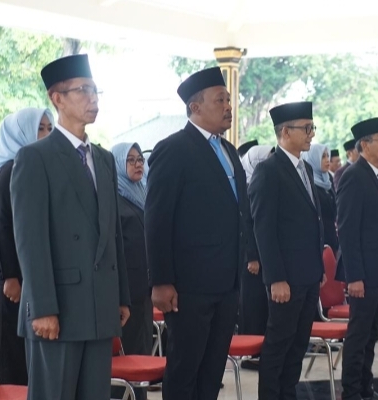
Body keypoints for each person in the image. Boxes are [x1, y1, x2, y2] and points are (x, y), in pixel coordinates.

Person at [11, 54, 131, 400]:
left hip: (99, 303)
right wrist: (42, 307)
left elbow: (112, 234)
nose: (93, 99)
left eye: (95, 91)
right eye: (83, 91)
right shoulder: (35, 157)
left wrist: (120, 295)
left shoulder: (104, 159)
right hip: (58, 307)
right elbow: (31, 241)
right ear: (57, 98)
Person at [145, 67, 255, 400]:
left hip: (227, 283)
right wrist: (161, 281)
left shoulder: (229, 151)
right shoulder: (174, 149)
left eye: (228, 100)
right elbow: (157, 219)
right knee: (185, 369)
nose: (228, 107)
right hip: (189, 286)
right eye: (220, 100)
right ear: (195, 107)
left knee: (212, 370)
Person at [249, 101, 325, 400]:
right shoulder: (268, 170)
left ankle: (288, 394)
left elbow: (313, 221)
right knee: (279, 344)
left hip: (308, 275)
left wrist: (318, 268)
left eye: (312, 127)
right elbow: (263, 229)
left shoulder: (306, 167)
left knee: (298, 343)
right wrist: (275, 278)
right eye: (306, 128)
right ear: (285, 132)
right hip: (285, 278)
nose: (311, 134)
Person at [337, 117, 378, 398]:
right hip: (364, 274)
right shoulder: (354, 176)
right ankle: (351, 391)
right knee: (359, 334)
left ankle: (365, 386)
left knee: (372, 334)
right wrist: (354, 277)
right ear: (364, 145)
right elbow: (348, 231)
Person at [0, 108, 54, 385]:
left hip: (33, 272)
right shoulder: (9, 169)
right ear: (22, 132)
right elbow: (1, 225)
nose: (47, 134)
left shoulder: (40, 168)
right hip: (13, 275)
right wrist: (10, 276)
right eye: (40, 128)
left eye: (50, 128)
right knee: (14, 347)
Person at [111, 142, 152, 400]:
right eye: (131, 160)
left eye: (140, 160)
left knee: (141, 352)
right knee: (126, 354)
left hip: (144, 287)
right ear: (118, 164)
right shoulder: (114, 200)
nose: (138, 165)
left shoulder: (142, 193)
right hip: (125, 290)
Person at [239, 144, 273, 371]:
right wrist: (252, 256)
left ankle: (260, 351)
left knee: (262, 306)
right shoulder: (246, 186)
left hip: (264, 256)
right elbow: (247, 224)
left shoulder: (264, 183)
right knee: (252, 306)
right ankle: (249, 354)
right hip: (251, 259)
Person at [302, 143, 339, 253]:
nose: (327, 160)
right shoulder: (310, 185)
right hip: (321, 241)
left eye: (328, 156)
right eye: (323, 157)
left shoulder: (328, 180)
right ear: (313, 159)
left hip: (333, 235)